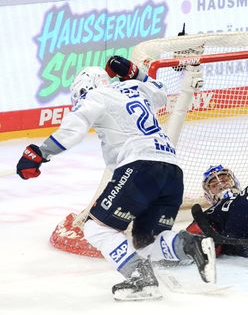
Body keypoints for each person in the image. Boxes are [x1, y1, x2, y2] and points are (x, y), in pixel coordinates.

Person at [16, 59, 216, 301]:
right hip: (172, 170)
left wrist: (40, 153)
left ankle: (141, 279)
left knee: (96, 228)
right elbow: (161, 93)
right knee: (145, 241)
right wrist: (136, 74)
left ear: (84, 89)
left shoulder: (96, 96)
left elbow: (73, 130)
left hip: (139, 167)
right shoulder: (136, 88)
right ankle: (190, 245)